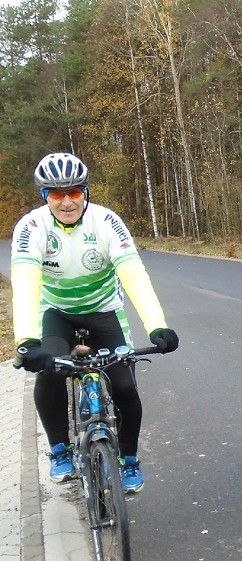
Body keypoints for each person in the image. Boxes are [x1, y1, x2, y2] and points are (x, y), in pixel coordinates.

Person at [11, 152, 179, 492]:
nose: (68, 201)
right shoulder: (31, 227)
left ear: (85, 191)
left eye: (75, 192)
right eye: (57, 194)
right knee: (49, 370)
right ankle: (60, 451)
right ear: (45, 196)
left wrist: (157, 325)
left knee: (125, 386)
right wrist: (27, 340)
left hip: (103, 310)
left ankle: (129, 460)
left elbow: (133, 274)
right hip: (55, 312)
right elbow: (26, 284)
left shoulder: (106, 222)